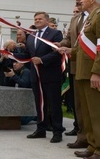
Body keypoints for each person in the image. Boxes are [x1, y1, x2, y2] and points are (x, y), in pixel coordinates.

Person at [64, 0, 100, 159]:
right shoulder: (90, 19)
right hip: (83, 72)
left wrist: (97, 73)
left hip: (94, 74)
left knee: (99, 113)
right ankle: (93, 146)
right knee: (87, 114)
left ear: (93, 0)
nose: (81, 0)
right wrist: (68, 50)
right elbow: (82, 48)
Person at [25, 11, 64, 143]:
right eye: (35, 19)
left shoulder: (55, 34)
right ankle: (40, 129)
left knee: (54, 104)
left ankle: (57, 131)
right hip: (36, 75)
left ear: (47, 21)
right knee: (40, 104)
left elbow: (58, 53)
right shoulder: (31, 36)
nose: (37, 21)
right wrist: (12, 56)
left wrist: (42, 60)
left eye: (40, 19)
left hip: (51, 75)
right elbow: (27, 54)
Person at [57, 0, 89, 149]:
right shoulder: (76, 19)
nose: (77, 2)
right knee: (79, 105)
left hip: (91, 68)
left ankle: (96, 139)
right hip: (76, 67)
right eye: (76, 0)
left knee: (91, 106)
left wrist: (71, 50)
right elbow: (69, 38)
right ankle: (82, 136)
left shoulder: (97, 17)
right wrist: (59, 44)